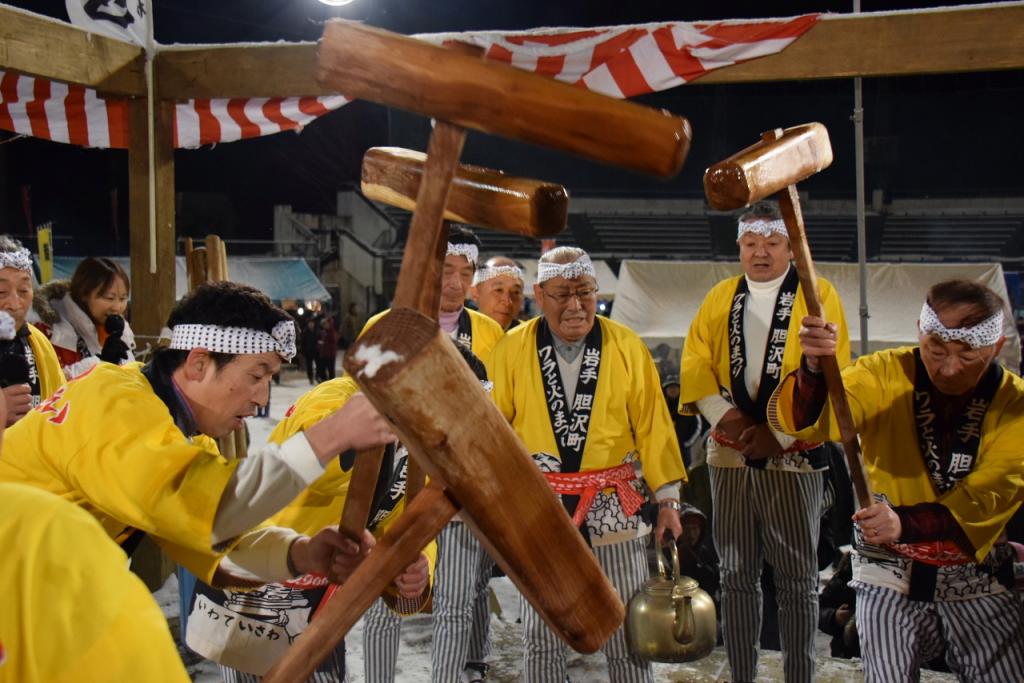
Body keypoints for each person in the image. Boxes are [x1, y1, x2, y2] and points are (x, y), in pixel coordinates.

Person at [0, 281, 396, 585]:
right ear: (198, 364)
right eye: (256, 376)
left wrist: (302, 553)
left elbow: (208, 542)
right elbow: (214, 512)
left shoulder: (175, 428)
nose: (261, 398)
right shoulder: (116, 406)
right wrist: (332, 435)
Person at [772, 278, 1024, 682]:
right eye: (936, 350)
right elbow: (817, 425)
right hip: (888, 564)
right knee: (886, 672)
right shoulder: (883, 373)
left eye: (967, 355)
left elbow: (991, 493)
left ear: (995, 348)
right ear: (919, 333)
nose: (948, 367)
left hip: (974, 572)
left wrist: (903, 521)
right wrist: (816, 370)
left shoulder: (1016, 404)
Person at [489, 246, 685, 683]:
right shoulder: (511, 349)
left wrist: (669, 500)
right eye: (563, 294)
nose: (577, 306)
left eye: (585, 293)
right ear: (539, 294)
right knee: (543, 631)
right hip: (543, 506)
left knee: (626, 630)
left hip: (615, 503)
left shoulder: (626, 345)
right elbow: (495, 433)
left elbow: (655, 426)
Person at [679, 201, 850, 683]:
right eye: (751, 243)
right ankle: (741, 672)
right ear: (739, 246)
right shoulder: (720, 297)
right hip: (730, 449)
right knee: (735, 572)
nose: (760, 253)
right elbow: (696, 367)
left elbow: (830, 371)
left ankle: (799, 673)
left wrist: (775, 435)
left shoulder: (819, 295)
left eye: (772, 243)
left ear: (791, 248)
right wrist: (731, 420)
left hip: (794, 452)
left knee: (797, 576)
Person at [187, 373, 434, 683]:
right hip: (261, 574)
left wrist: (416, 565)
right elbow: (311, 466)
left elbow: (401, 516)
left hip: (319, 593)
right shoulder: (338, 398)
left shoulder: (417, 439)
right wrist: (347, 438)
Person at [361, 225, 504, 683]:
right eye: (447, 270)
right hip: (395, 480)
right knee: (384, 597)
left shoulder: (490, 334)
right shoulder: (385, 327)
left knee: (456, 600)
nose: (457, 283)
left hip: (461, 488)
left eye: (467, 272)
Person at [34, 256, 135, 379]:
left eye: (123, 298)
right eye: (109, 298)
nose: (117, 307)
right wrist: (101, 364)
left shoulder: (121, 330)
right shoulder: (52, 331)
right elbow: (53, 384)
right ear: (84, 294)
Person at [0, 235, 64, 425]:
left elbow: (60, 409)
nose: (15, 304)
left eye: (23, 291)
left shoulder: (39, 342)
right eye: (1, 292)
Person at [471, 255, 526, 331]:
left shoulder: (531, 337)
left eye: (515, 292)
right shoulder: (456, 333)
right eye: (498, 290)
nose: (507, 301)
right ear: (476, 292)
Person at [316, 317, 339, 382]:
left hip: (330, 355)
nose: (325, 325)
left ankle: (331, 383)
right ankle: (324, 381)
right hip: (324, 354)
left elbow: (333, 344)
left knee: (331, 370)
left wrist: (324, 344)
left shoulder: (332, 333)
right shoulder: (323, 332)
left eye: (326, 324)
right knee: (322, 370)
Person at [300, 318, 319, 385]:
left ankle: (317, 376)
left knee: (318, 365)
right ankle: (310, 378)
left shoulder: (316, 331)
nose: (311, 324)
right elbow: (303, 343)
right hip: (308, 351)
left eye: (312, 323)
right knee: (309, 366)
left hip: (316, 351)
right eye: (310, 323)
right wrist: (303, 352)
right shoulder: (305, 332)